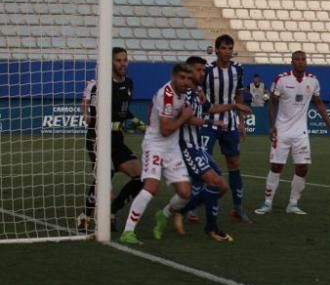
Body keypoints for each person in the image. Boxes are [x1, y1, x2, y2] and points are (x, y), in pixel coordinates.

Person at [170, 56, 249, 242]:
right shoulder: (185, 94)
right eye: (198, 69)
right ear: (189, 71)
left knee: (221, 187)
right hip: (187, 147)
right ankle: (211, 228)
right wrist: (211, 121)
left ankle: (182, 211)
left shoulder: (197, 92)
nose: (202, 73)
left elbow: (209, 107)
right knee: (216, 184)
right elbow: (187, 118)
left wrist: (233, 105)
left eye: (203, 70)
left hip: (197, 147)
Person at [255, 51, 330, 216]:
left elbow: (319, 104)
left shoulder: (313, 80)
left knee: (302, 168)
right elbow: (272, 103)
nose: (300, 62)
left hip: (301, 132)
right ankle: (267, 203)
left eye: (303, 59)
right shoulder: (281, 79)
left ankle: (293, 204)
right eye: (297, 59)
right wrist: (272, 126)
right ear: (291, 62)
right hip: (281, 131)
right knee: (276, 166)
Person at [119, 63, 195, 245]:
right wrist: (185, 117)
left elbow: (185, 117)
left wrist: (211, 121)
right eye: (182, 78)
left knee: (185, 193)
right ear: (173, 77)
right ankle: (128, 231)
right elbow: (166, 130)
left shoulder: (183, 93)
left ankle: (164, 214)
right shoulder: (166, 96)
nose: (186, 82)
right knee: (151, 187)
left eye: (188, 78)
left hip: (173, 148)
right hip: (155, 145)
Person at [79, 47, 146, 232]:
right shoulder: (99, 85)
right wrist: (87, 113)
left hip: (116, 141)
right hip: (98, 140)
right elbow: (94, 120)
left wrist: (139, 124)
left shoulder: (129, 84)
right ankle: (85, 216)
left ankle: (112, 211)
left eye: (125, 60)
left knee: (142, 176)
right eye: (118, 60)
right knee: (104, 181)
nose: (123, 63)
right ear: (110, 63)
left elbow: (124, 113)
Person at [203, 34, 252, 222]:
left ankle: (238, 206)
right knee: (203, 163)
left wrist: (241, 122)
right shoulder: (208, 70)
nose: (227, 52)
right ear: (216, 50)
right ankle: (193, 205)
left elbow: (239, 96)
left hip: (230, 121)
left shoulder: (238, 69)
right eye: (223, 48)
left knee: (234, 163)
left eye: (230, 48)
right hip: (209, 120)